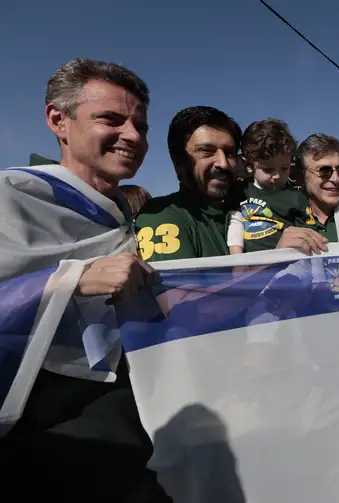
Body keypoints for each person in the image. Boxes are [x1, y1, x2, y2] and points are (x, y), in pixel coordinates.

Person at [0, 58, 167, 501]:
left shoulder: (125, 219)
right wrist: (69, 280)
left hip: (134, 414)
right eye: (110, 119)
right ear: (59, 120)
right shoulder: (12, 197)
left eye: (141, 126)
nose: (133, 136)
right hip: (44, 428)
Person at [136, 106, 243, 262]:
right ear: (178, 161)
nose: (223, 163)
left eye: (229, 153)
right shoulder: (162, 215)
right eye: (206, 151)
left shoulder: (251, 209)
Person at [227, 119, 309, 254]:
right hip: (251, 264)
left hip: (289, 262)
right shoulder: (241, 191)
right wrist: (237, 259)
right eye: (268, 170)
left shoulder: (297, 197)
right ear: (248, 165)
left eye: (284, 168)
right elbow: (236, 222)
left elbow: (306, 236)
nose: (277, 176)